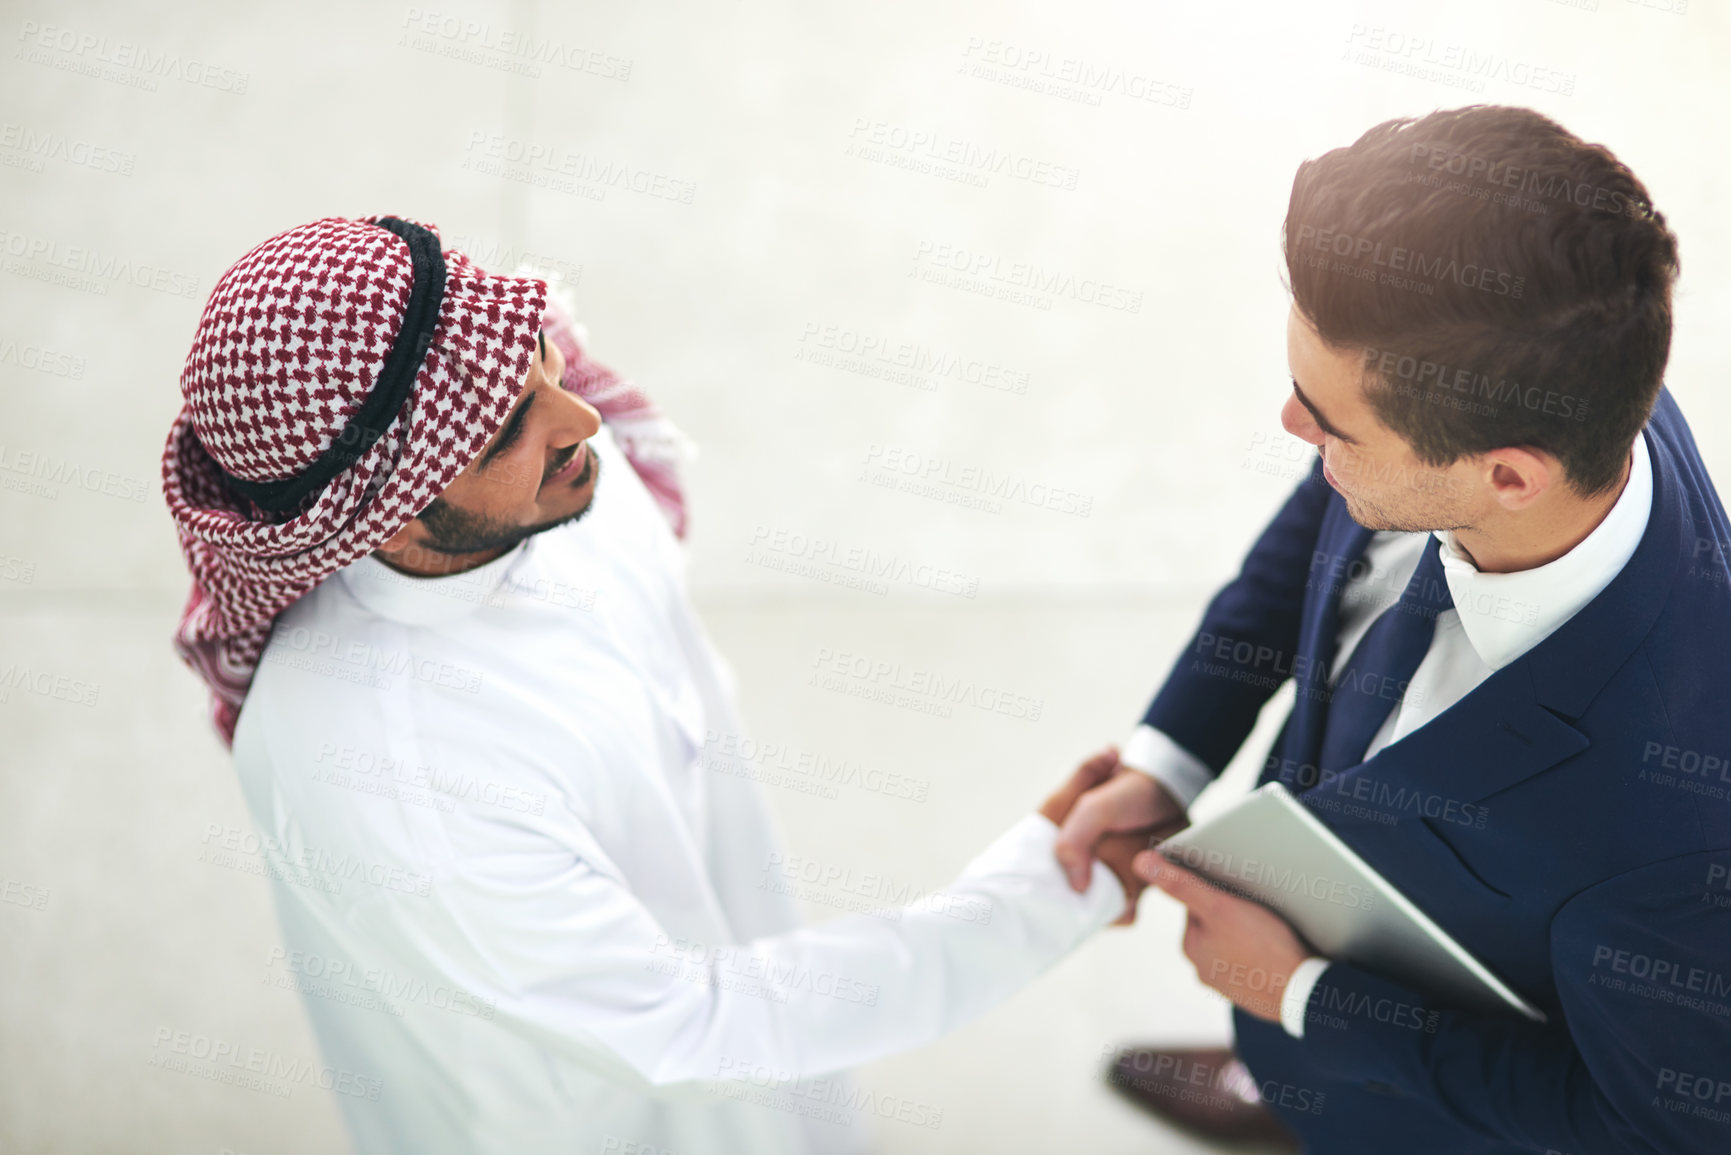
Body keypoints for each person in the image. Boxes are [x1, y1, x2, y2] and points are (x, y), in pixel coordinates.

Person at [161, 214, 1153, 1155]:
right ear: (382, 515)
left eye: (538, 359)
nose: (584, 413)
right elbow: (689, 1026)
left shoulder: (567, 485)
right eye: (507, 423)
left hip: (740, 987)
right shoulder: (382, 768)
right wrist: (1036, 900)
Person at [1054, 105, 1731, 1153]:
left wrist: (1305, 1000)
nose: (1294, 430)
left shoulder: (1680, 824)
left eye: (1327, 422)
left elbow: (1645, 1124)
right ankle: (1280, 1087)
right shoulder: (1538, 387)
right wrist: (1171, 759)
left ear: (1511, 475)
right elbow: (1313, 542)